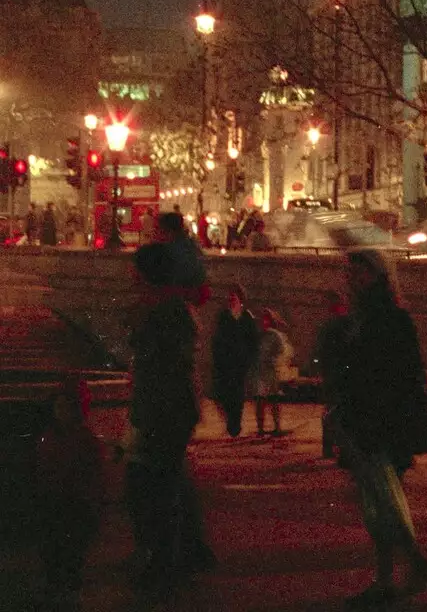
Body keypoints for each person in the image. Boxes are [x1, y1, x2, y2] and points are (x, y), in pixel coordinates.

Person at [336, 250, 427, 605]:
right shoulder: (371, 316)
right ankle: (391, 574)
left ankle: (409, 565)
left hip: (377, 422)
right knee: (378, 500)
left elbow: (396, 373)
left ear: (375, 276)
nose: (349, 278)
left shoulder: (381, 318)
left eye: (357, 272)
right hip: (372, 421)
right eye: (348, 271)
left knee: (383, 498)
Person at [125, 240, 214, 592]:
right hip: (170, 409)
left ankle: (165, 564)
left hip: (165, 411)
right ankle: (184, 553)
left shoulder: (166, 313)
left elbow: (163, 369)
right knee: (168, 481)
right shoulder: (170, 310)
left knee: (155, 488)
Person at [36, 377, 104, 607]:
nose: (63, 412)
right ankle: (58, 587)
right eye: (59, 407)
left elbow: (93, 477)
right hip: (57, 502)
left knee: (71, 553)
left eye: (68, 407)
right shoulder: (51, 438)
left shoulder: (84, 441)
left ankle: (67, 591)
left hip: (75, 504)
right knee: (55, 550)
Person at [210, 285, 260, 437]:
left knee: (237, 395)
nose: (231, 299)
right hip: (225, 363)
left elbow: (253, 341)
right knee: (224, 394)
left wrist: (249, 359)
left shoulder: (247, 317)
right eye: (230, 296)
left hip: (240, 363)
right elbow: (217, 338)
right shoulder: (224, 316)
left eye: (234, 296)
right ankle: (231, 423)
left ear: (240, 298)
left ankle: (234, 425)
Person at [314, 288, 350, 460]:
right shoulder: (344, 323)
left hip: (334, 372)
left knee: (332, 410)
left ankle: (330, 446)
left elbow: (321, 350)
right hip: (341, 372)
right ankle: (338, 447)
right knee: (338, 410)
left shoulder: (329, 325)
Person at [251, 308, 293, 436]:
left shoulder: (275, 336)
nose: (264, 321)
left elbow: (282, 351)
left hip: (271, 370)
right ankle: (260, 428)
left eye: (266, 318)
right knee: (259, 400)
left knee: (274, 399)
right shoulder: (259, 335)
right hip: (259, 370)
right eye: (262, 318)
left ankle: (277, 426)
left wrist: (274, 362)